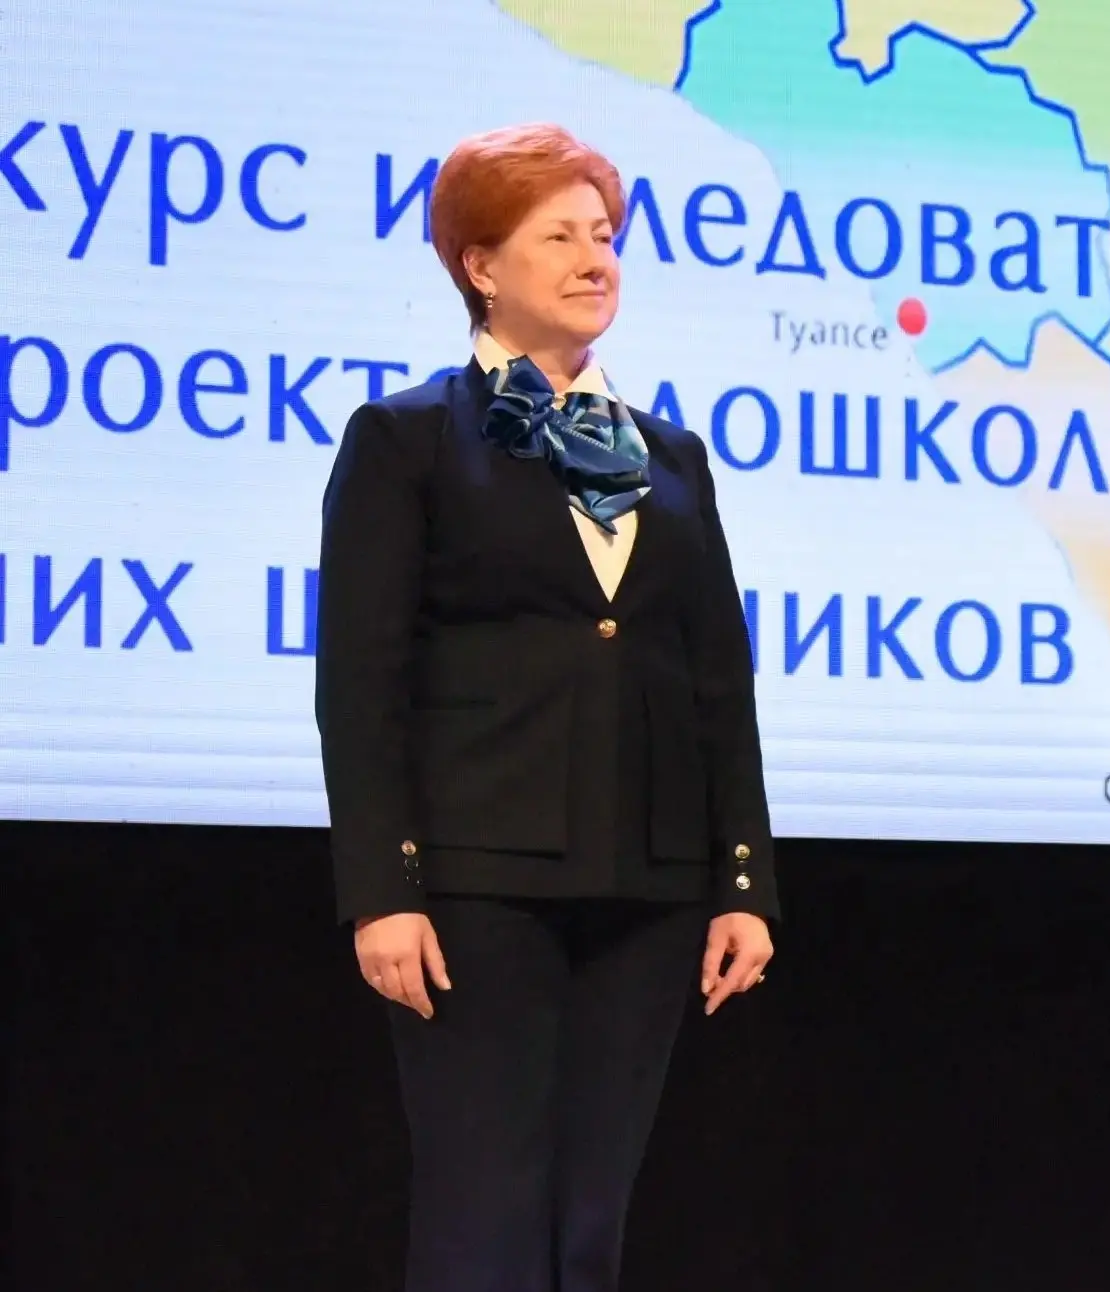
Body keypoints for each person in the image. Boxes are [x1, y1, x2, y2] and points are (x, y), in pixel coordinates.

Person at [314, 122, 777, 1292]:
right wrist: (382, 889)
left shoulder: (672, 456)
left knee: (589, 1221)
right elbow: (360, 684)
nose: (594, 258)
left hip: (648, 883)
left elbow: (717, 679)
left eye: (604, 234)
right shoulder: (409, 440)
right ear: (481, 265)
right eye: (559, 235)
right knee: (485, 1216)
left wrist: (742, 880)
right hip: (478, 882)